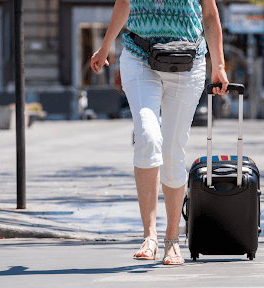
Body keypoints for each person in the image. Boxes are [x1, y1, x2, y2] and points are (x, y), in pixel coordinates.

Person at [91, 0, 229, 265]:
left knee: (173, 152)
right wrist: (105, 47)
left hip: (187, 62)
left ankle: (172, 239)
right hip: (139, 57)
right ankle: (149, 235)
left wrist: (219, 65)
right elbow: (123, 4)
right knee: (148, 136)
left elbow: (210, 15)